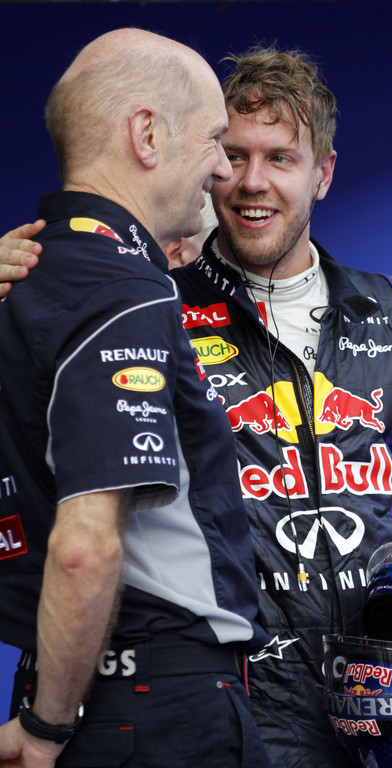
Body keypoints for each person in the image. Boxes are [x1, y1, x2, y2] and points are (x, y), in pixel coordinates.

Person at [3, 44, 392, 768]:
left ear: (323, 172)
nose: (252, 182)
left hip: (379, 710)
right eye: (234, 155)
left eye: (281, 158)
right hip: (224, 701)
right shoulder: (147, 300)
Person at [0, 29, 272, 768]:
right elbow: (84, 547)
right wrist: (47, 731)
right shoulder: (123, 291)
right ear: (147, 134)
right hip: (155, 707)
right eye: (214, 139)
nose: (223, 169)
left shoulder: (22, 285)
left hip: (70, 685)